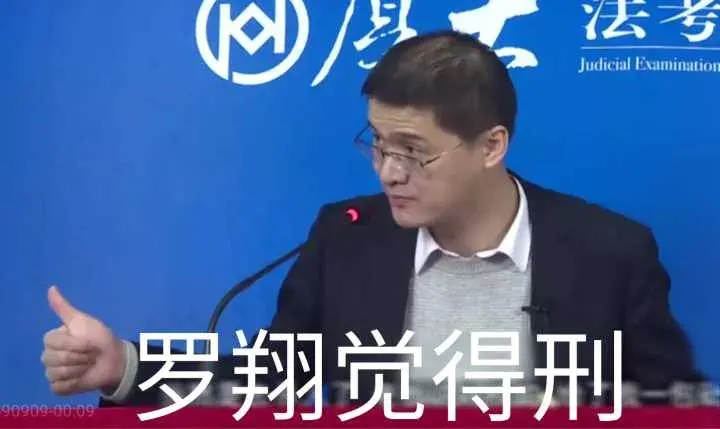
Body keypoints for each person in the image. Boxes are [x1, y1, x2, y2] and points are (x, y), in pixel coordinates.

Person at [42, 30, 701, 408]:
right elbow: (267, 377)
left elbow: (674, 403)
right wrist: (125, 366)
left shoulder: (610, 252)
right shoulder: (347, 236)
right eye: (379, 144)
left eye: (412, 151)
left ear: (491, 146)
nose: (387, 172)